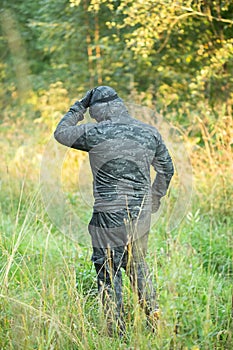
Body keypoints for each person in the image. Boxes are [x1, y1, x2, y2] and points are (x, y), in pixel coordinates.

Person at [54, 86, 174, 336]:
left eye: (94, 113)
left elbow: (61, 132)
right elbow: (167, 170)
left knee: (108, 272)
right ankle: (154, 322)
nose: (93, 118)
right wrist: (153, 201)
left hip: (108, 214)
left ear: (102, 110)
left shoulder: (96, 132)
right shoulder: (149, 132)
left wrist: (79, 106)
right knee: (138, 265)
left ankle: (115, 333)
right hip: (140, 214)